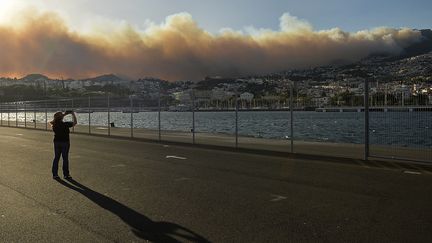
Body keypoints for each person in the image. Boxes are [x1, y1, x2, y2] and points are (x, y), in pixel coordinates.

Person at [50, 110, 77, 179]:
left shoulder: (54, 124)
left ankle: (55, 174)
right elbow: (75, 123)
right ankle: (66, 174)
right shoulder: (65, 124)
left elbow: (57, 118)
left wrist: (63, 115)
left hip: (57, 142)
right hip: (65, 142)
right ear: (61, 117)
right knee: (65, 158)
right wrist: (72, 114)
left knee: (56, 158)